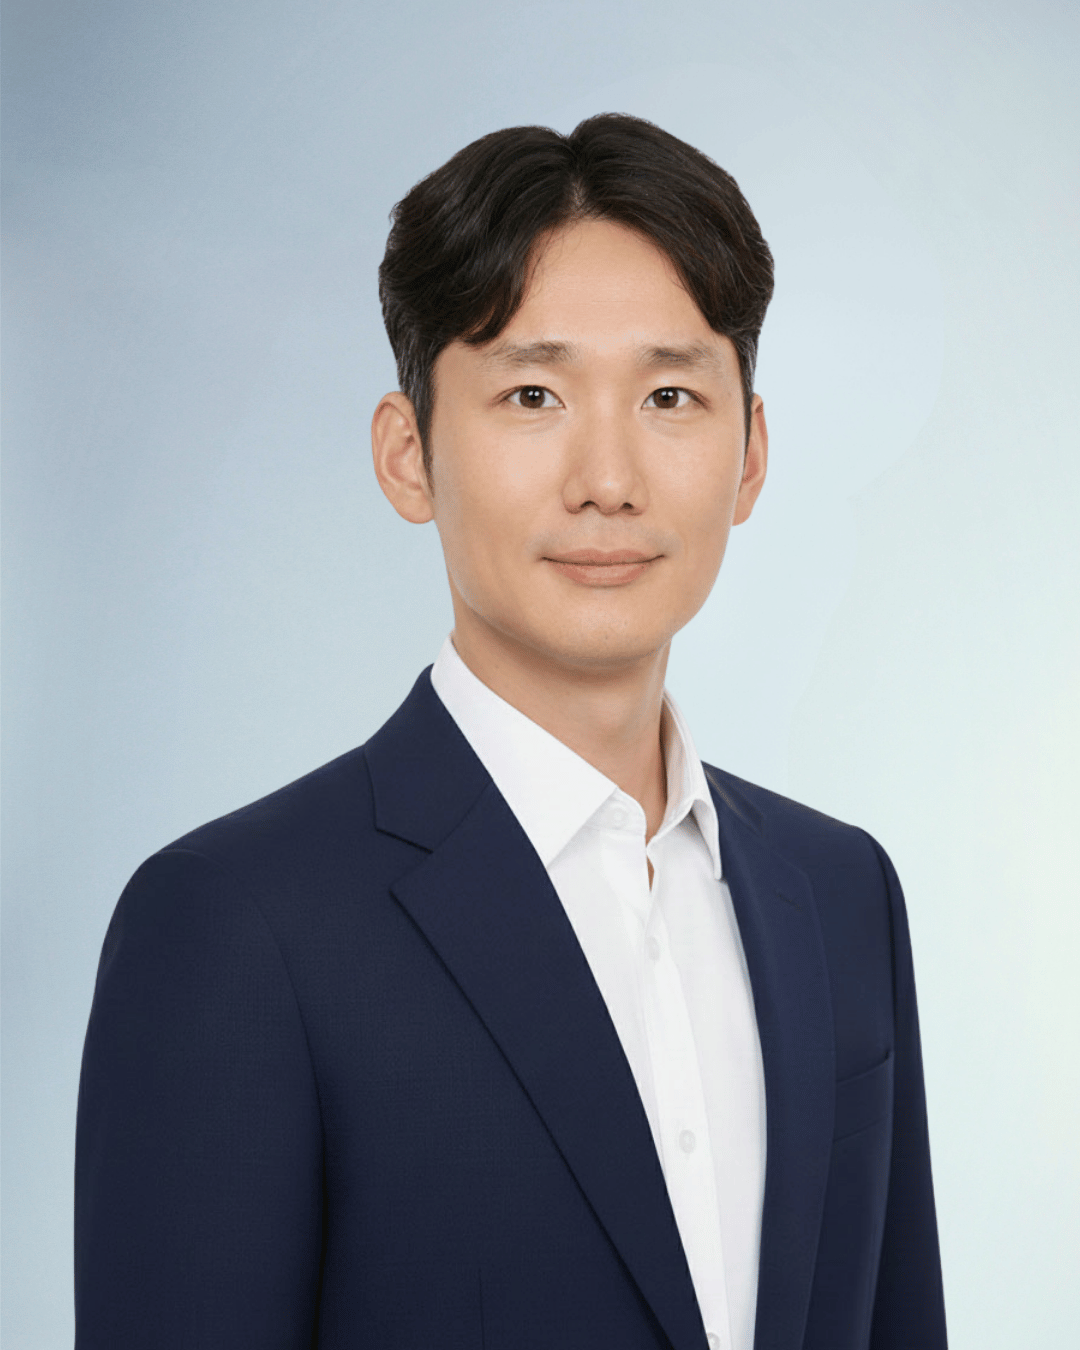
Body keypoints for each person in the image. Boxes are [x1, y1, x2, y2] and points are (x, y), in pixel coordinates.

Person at [74, 114, 947, 1350]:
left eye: (671, 395)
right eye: (533, 394)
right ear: (408, 454)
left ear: (751, 454)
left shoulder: (841, 892)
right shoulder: (235, 928)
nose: (609, 479)